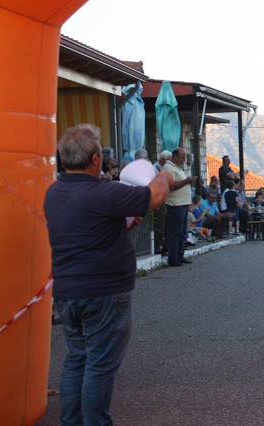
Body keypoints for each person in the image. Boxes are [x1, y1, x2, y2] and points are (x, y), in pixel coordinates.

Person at [44, 123, 172, 425]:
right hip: (103, 292)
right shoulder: (104, 193)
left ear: (63, 161)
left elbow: (89, 227)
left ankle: (71, 421)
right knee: (100, 365)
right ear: (96, 159)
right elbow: (155, 195)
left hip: (67, 291)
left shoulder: (54, 193)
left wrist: (123, 223)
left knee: (78, 359)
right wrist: (164, 173)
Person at [163, 147, 197, 266]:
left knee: (182, 232)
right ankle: (173, 258)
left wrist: (188, 181)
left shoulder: (178, 168)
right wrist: (187, 181)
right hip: (175, 204)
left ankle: (180, 255)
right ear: (175, 156)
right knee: (175, 232)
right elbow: (171, 185)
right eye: (182, 157)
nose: (184, 160)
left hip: (183, 203)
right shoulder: (168, 168)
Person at [153, 150, 172, 254]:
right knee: (159, 225)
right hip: (158, 200)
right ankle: (157, 246)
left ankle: (166, 246)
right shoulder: (153, 169)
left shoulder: (166, 169)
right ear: (162, 160)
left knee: (167, 224)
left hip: (167, 199)